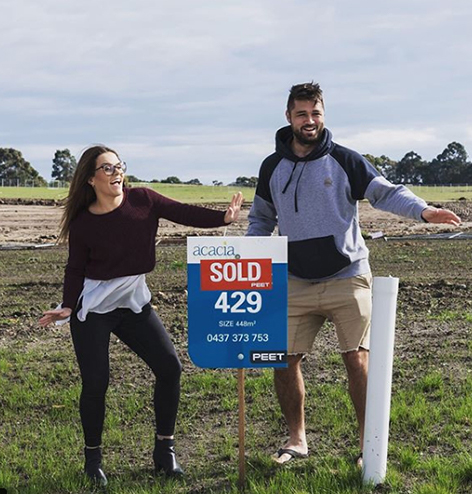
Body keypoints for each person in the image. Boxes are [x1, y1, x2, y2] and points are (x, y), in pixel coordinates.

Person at [246, 82, 461, 466]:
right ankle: (296, 439)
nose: (309, 121)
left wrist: (424, 211)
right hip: (294, 280)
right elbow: (262, 220)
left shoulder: (345, 160)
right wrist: (251, 259)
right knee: (283, 360)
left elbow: (386, 191)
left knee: (357, 360)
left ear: (323, 114)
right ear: (288, 117)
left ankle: (367, 445)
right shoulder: (272, 167)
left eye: (315, 113)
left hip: (348, 275)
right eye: (301, 114)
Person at [39, 145, 243, 486]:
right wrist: (68, 306)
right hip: (95, 309)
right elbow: (75, 268)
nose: (116, 173)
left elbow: (183, 212)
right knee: (96, 383)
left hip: (134, 304)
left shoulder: (143, 200)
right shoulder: (84, 223)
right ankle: (93, 462)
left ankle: (164, 452)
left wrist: (222, 218)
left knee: (169, 368)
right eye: (107, 168)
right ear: (90, 179)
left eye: (119, 166)